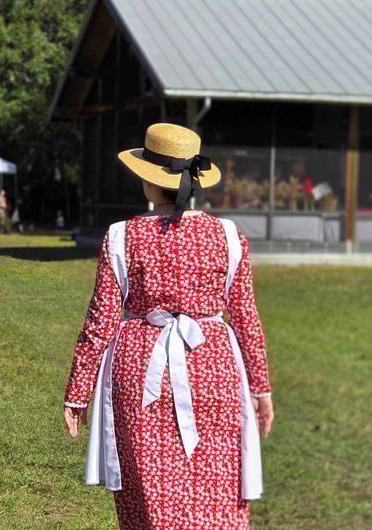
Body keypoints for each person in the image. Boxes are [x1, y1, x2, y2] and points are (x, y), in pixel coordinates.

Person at [64, 123, 273, 530]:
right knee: (216, 485)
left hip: (141, 371)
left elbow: (100, 320)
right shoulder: (229, 236)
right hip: (214, 367)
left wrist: (77, 392)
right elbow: (245, 316)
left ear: (148, 179)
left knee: (150, 487)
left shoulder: (122, 236)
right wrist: (260, 387)